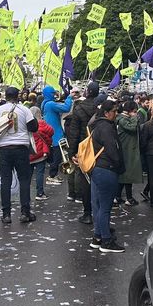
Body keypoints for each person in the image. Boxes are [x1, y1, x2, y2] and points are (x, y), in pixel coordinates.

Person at [0, 86, 38, 224]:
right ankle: (25, 212)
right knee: (24, 180)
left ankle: (6, 214)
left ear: (5, 96)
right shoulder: (24, 110)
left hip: (3, 149)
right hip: (20, 148)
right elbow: (34, 127)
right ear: (18, 96)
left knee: (5, 181)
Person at [88, 99, 126, 253]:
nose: (116, 114)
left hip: (97, 168)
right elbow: (112, 149)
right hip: (107, 169)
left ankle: (98, 237)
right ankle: (106, 241)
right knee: (105, 207)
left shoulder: (96, 125)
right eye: (114, 111)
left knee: (98, 205)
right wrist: (119, 165)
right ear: (106, 112)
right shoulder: (107, 128)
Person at [66, 81, 98, 224]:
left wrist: (71, 152)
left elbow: (73, 133)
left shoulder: (78, 110)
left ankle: (87, 212)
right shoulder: (100, 109)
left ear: (87, 92)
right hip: (97, 148)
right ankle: (98, 210)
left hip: (82, 147)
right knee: (96, 179)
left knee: (84, 179)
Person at [42, 84, 72, 184]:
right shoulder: (50, 104)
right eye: (53, 93)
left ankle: (54, 174)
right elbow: (66, 108)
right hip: (56, 135)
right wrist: (69, 97)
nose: (55, 95)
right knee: (57, 156)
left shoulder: (45, 103)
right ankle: (52, 176)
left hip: (52, 134)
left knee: (57, 156)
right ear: (49, 94)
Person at [116, 101, 142, 206]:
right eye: (135, 111)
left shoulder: (121, 119)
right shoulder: (123, 120)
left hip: (126, 150)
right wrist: (134, 117)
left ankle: (118, 197)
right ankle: (129, 198)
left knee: (124, 176)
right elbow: (132, 128)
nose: (136, 113)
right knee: (127, 176)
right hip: (127, 151)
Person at [30, 116, 54, 201]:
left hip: (30, 153)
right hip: (41, 153)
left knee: (27, 176)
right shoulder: (42, 124)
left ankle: (25, 194)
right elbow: (51, 131)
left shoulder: (27, 124)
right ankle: (40, 193)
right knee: (40, 173)